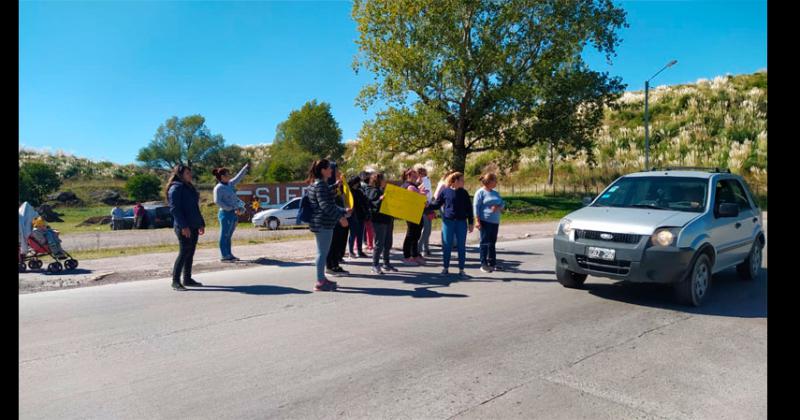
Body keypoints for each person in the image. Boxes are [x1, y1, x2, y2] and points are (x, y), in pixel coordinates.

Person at [307, 159, 350, 292]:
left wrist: (336, 186)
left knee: (322, 252)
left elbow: (326, 198)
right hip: (323, 224)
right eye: (329, 168)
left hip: (321, 223)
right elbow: (325, 205)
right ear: (323, 170)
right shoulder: (320, 185)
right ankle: (320, 282)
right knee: (322, 253)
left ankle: (322, 279)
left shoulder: (319, 184)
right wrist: (341, 217)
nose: (332, 170)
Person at [166, 164, 206, 291]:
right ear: (180, 174)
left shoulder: (189, 187)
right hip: (183, 226)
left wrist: (201, 223)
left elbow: (195, 208)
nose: (190, 175)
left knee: (190, 252)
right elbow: (174, 209)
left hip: (194, 225)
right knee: (184, 252)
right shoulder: (176, 188)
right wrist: (183, 226)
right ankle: (175, 281)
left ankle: (187, 279)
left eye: (190, 173)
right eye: (188, 173)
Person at [429, 172, 474, 278]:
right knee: (447, 246)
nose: (463, 182)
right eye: (462, 180)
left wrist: (471, 222)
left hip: (461, 222)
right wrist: (427, 204)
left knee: (461, 246)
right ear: (455, 181)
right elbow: (436, 204)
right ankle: (445, 268)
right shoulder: (445, 191)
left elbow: (469, 209)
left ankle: (461, 270)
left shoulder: (464, 193)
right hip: (448, 222)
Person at [212, 163, 250, 262]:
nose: (229, 176)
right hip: (225, 214)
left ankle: (229, 254)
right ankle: (224, 255)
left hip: (234, 213)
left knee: (228, 235)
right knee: (224, 235)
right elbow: (217, 201)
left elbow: (238, 178)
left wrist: (245, 168)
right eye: (227, 175)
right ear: (222, 177)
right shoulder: (218, 188)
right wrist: (229, 208)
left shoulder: (229, 184)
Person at [363, 172, 397, 274]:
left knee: (388, 243)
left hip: (388, 219)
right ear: (378, 181)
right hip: (379, 220)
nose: (385, 181)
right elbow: (373, 204)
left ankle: (386, 263)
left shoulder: (383, 190)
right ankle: (375, 265)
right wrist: (380, 199)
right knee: (379, 243)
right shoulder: (372, 190)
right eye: (383, 179)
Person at [474, 173, 505, 273]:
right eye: (495, 180)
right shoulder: (480, 192)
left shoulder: (496, 193)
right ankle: (483, 264)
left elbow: (502, 204)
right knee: (484, 242)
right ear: (489, 181)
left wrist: (498, 207)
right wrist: (477, 221)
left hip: (495, 221)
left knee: (492, 242)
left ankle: (492, 263)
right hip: (485, 221)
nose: (496, 182)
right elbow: (476, 207)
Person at [400, 168, 428, 265]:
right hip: (411, 213)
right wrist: (422, 194)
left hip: (415, 212)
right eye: (414, 175)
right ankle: (407, 256)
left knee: (415, 234)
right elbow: (415, 198)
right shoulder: (409, 186)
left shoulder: (412, 185)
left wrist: (420, 191)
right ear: (409, 176)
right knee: (412, 234)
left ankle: (414, 255)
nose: (416, 177)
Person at [327, 178, 351, 276]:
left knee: (337, 244)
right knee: (332, 245)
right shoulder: (326, 188)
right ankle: (330, 267)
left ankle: (335, 265)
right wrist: (343, 212)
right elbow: (330, 206)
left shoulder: (337, 189)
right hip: (333, 221)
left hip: (340, 219)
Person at [347, 175, 370, 259]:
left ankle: (359, 251)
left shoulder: (360, 191)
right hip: (353, 215)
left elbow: (364, 201)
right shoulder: (350, 192)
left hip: (360, 215)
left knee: (360, 233)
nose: (358, 184)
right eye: (357, 182)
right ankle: (351, 251)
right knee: (353, 233)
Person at [416, 165, 434, 257]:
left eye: (423, 172)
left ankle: (425, 248)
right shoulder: (420, 182)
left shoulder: (426, 180)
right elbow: (422, 192)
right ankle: (419, 249)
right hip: (423, 207)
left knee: (428, 229)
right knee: (426, 229)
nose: (423, 174)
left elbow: (428, 192)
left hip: (428, 206)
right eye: (421, 172)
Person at [358, 171, 375, 252]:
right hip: (366, 210)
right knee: (368, 228)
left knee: (362, 229)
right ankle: (369, 245)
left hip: (362, 210)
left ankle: (361, 245)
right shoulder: (367, 187)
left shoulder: (360, 186)